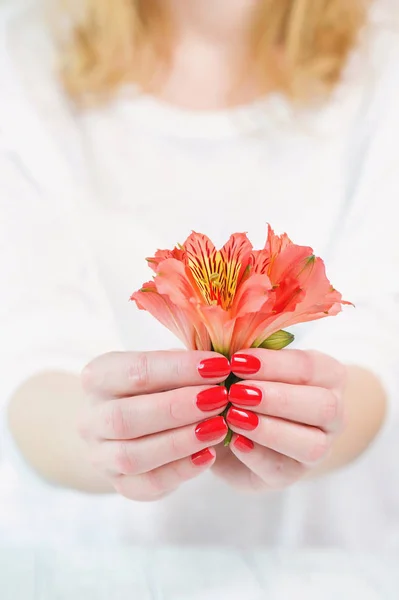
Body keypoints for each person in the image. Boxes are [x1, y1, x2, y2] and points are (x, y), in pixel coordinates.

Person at [0, 0, 398, 550]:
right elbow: (29, 353)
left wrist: (324, 421)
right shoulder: (25, 56)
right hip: (88, 564)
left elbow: (378, 335)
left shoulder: (383, 52)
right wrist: (100, 439)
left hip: (324, 559)